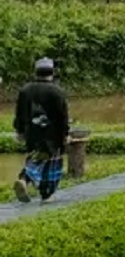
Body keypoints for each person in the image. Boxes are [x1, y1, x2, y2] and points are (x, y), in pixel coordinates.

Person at [12, 57, 70, 203]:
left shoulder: (25, 90)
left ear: (36, 72)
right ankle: (46, 194)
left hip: (32, 133)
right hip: (52, 135)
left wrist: (19, 131)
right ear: (52, 72)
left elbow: (20, 113)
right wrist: (65, 134)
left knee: (35, 158)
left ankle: (24, 180)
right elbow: (62, 116)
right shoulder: (57, 92)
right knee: (51, 164)